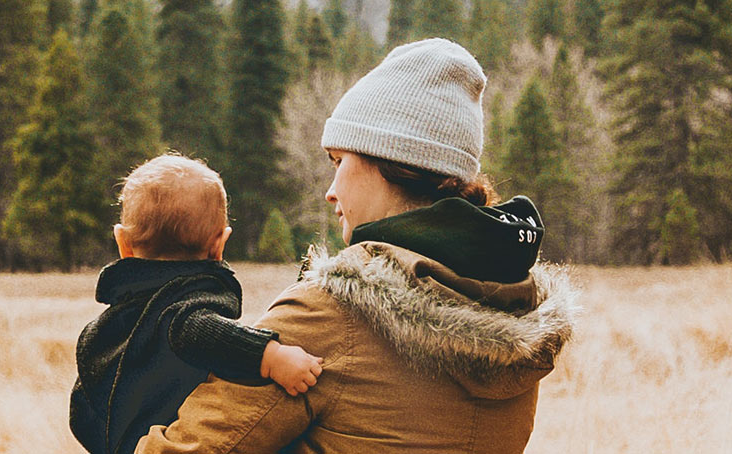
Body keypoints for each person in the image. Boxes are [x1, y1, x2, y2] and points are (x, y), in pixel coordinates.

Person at [137, 38, 580, 453]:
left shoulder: (333, 314)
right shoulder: (514, 308)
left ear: (389, 159)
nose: (331, 191)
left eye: (339, 161)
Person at [70, 155, 325, 454]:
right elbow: (200, 330)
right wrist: (272, 357)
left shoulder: (106, 329)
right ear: (219, 245)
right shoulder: (184, 309)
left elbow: (81, 411)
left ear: (122, 243)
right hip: (173, 440)